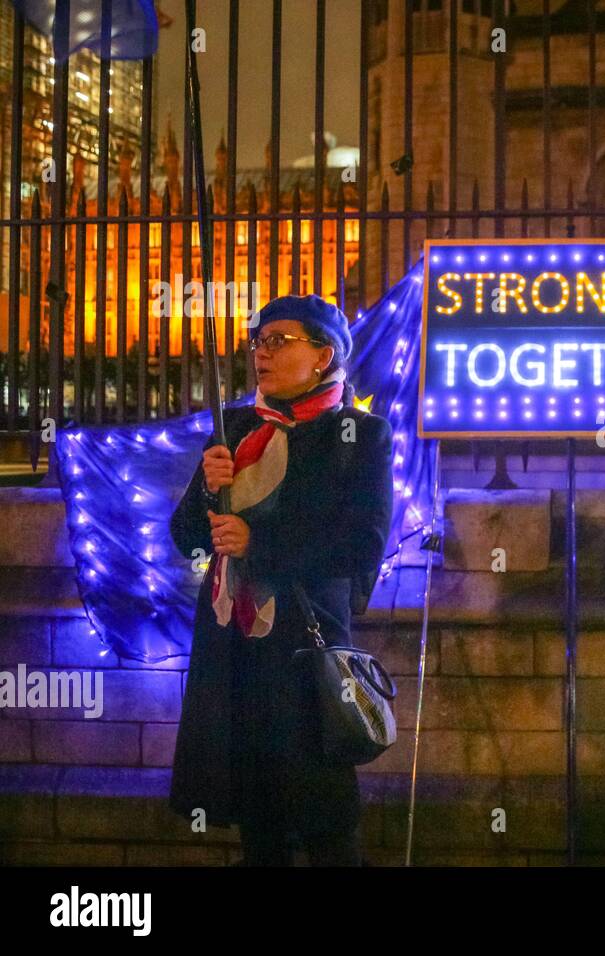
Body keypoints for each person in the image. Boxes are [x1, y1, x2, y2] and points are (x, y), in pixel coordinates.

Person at [168, 294, 394, 866]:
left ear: (322, 355)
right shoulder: (237, 427)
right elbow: (191, 538)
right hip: (234, 652)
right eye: (258, 342)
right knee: (258, 822)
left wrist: (259, 545)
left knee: (325, 821)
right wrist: (206, 482)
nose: (261, 354)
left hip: (306, 653)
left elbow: (362, 544)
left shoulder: (358, 436)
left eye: (279, 341)